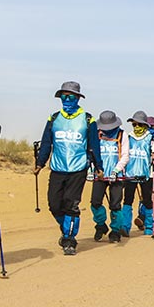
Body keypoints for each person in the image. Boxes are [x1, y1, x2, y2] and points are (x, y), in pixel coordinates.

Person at [34, 81, 102, 256]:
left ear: (78, 98)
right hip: (57, 168)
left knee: (71, 205)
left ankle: (69, 240)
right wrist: (40, 163)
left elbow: (94, 145)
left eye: (70, 96)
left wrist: (98, 167)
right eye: (63, 96)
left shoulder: (88, 120)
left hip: (78, 169)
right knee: (54, 204)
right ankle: (66, 229)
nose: (67, 99)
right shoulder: (54, 118)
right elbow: (47, 143)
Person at [90, 110, 129, 242]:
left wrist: (116, 170)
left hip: (116, 176)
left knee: (115, 205)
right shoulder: (96, 135)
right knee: (95, 202)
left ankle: (115, 230)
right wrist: (92, 170)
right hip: (100, 174)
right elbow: (92, 153)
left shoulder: (122, 135)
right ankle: (101, 225)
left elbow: (125, 155)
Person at [122, 111, 154, 237]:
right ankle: (125, 227)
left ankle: (149, 226)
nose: (137, 127)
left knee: (147, 201)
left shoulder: (151, 139)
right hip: (130, 174)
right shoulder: (128, 137)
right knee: (127, 200)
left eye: (139, 124)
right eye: (134, 125)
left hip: (146, 174)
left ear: (145, 125)